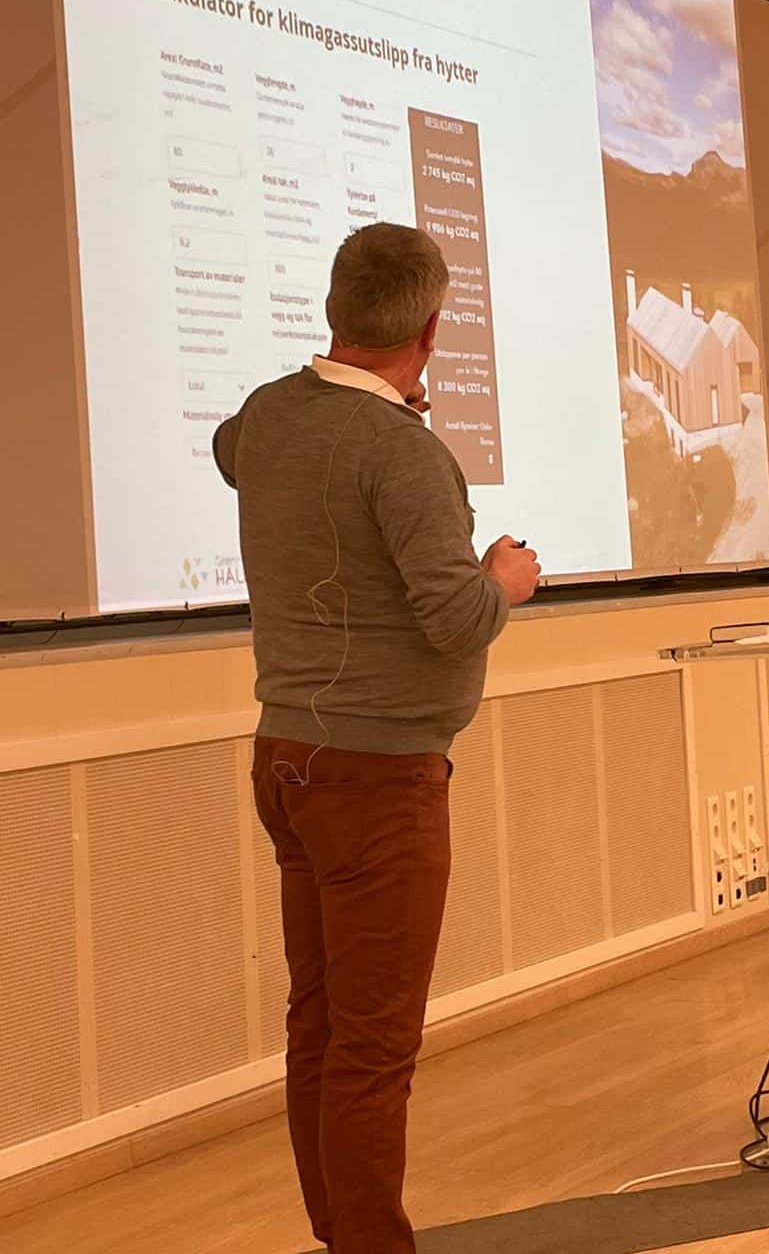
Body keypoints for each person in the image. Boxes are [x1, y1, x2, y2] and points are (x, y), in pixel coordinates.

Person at [213, 223, 538, 1254]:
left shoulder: (268, 415)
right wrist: (504, 578)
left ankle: (341, 1235)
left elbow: (229, 449)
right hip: (377, 779)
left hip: (287, 759)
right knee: (374, 1047)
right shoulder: (403, 451)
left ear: (334, 310)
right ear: (431, 330)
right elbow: (456, 618)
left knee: (320, 1022)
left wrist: (371, 414)